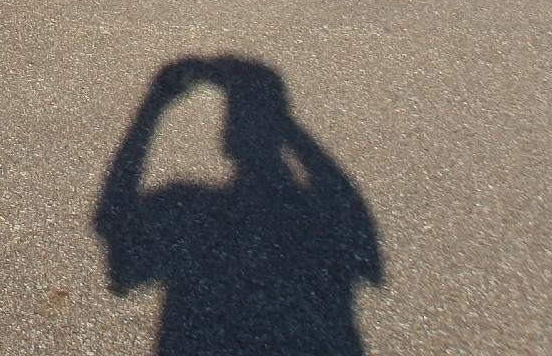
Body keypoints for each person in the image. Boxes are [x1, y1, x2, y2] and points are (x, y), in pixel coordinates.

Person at [94, 56, 383, 355]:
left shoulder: (185, 203)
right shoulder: (314, 210)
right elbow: (346, 209)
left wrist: (154, 105)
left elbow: (117, 237)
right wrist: (284, 124)